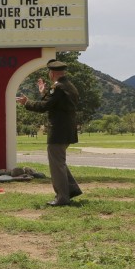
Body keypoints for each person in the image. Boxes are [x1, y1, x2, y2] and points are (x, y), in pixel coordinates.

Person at [17, 59, 83, 206]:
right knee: (59, 162)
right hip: (67, 130)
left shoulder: (58, 88)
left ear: (52, 73)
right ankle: (71, 189)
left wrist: (27, 103)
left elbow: (45, 106)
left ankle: (62, 198)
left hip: (58, 130)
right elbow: (55, 104)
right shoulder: (69, 86)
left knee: (56, 164)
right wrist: (44, 92)